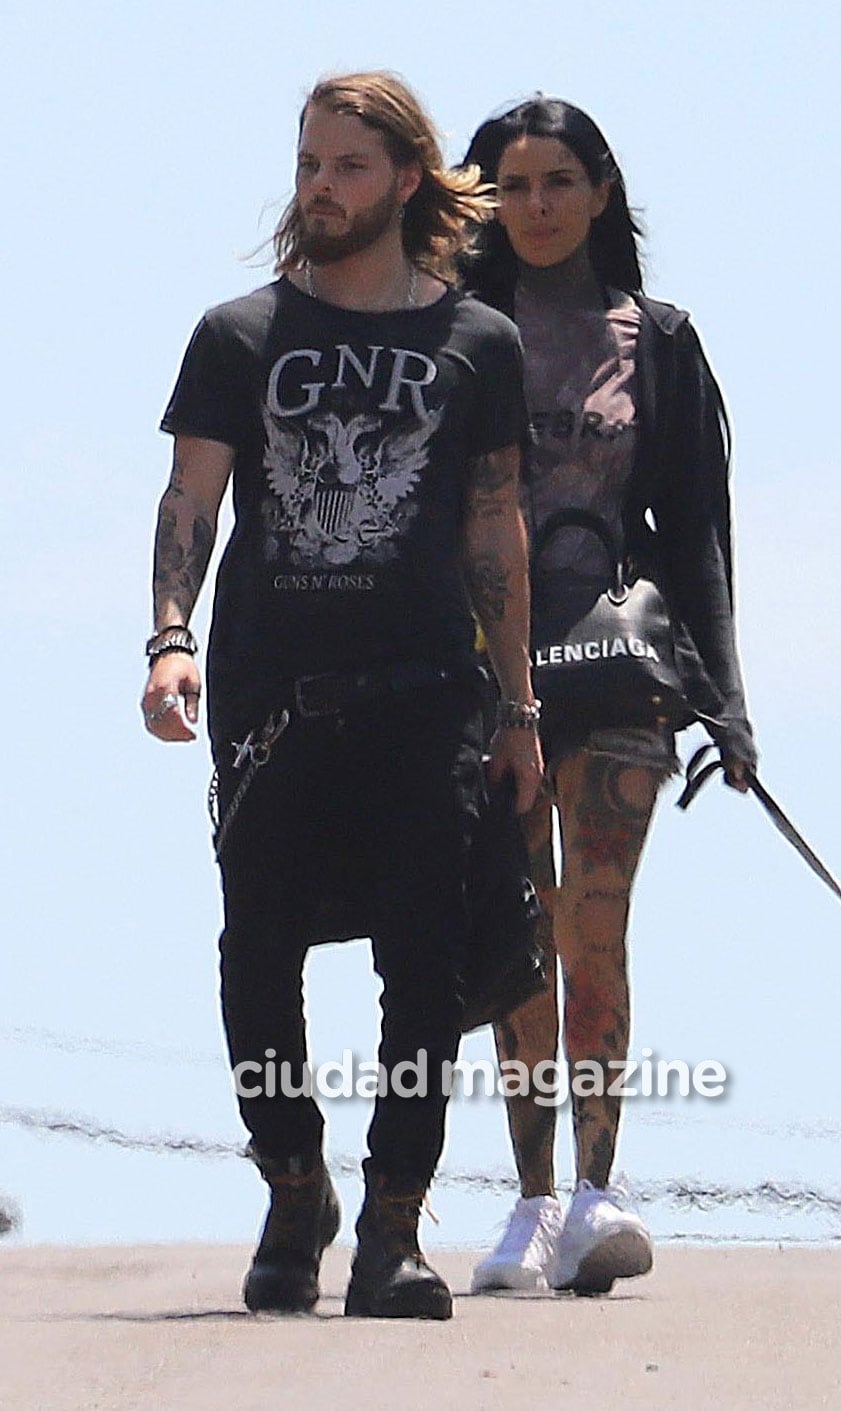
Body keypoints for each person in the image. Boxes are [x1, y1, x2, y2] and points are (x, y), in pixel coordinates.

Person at [141, 71, 542, 1320]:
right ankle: (292, 1182)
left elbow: (495, 526)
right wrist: (168, 636)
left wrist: (521, 709)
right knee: (256, 957)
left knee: (423, 967)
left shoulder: (478, 342)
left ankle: (392, 1226)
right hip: (275, 698)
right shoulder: (239, 333)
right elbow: (191, 500)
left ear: (406, 180)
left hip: (429, 693)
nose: (320, 187)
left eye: (349, 168)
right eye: (310, 164)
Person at [458, 99, 757, 1295]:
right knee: (515, 934)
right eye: (512, 184)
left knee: (594, 923)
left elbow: (697, 533)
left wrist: (726, 701)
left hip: (621, 665)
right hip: (484, 678)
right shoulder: (453, 333)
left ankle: (596, 1190)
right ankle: (528, 1201)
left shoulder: (660, 339)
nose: (535, 205)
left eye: (557, 181)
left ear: (598, 193)